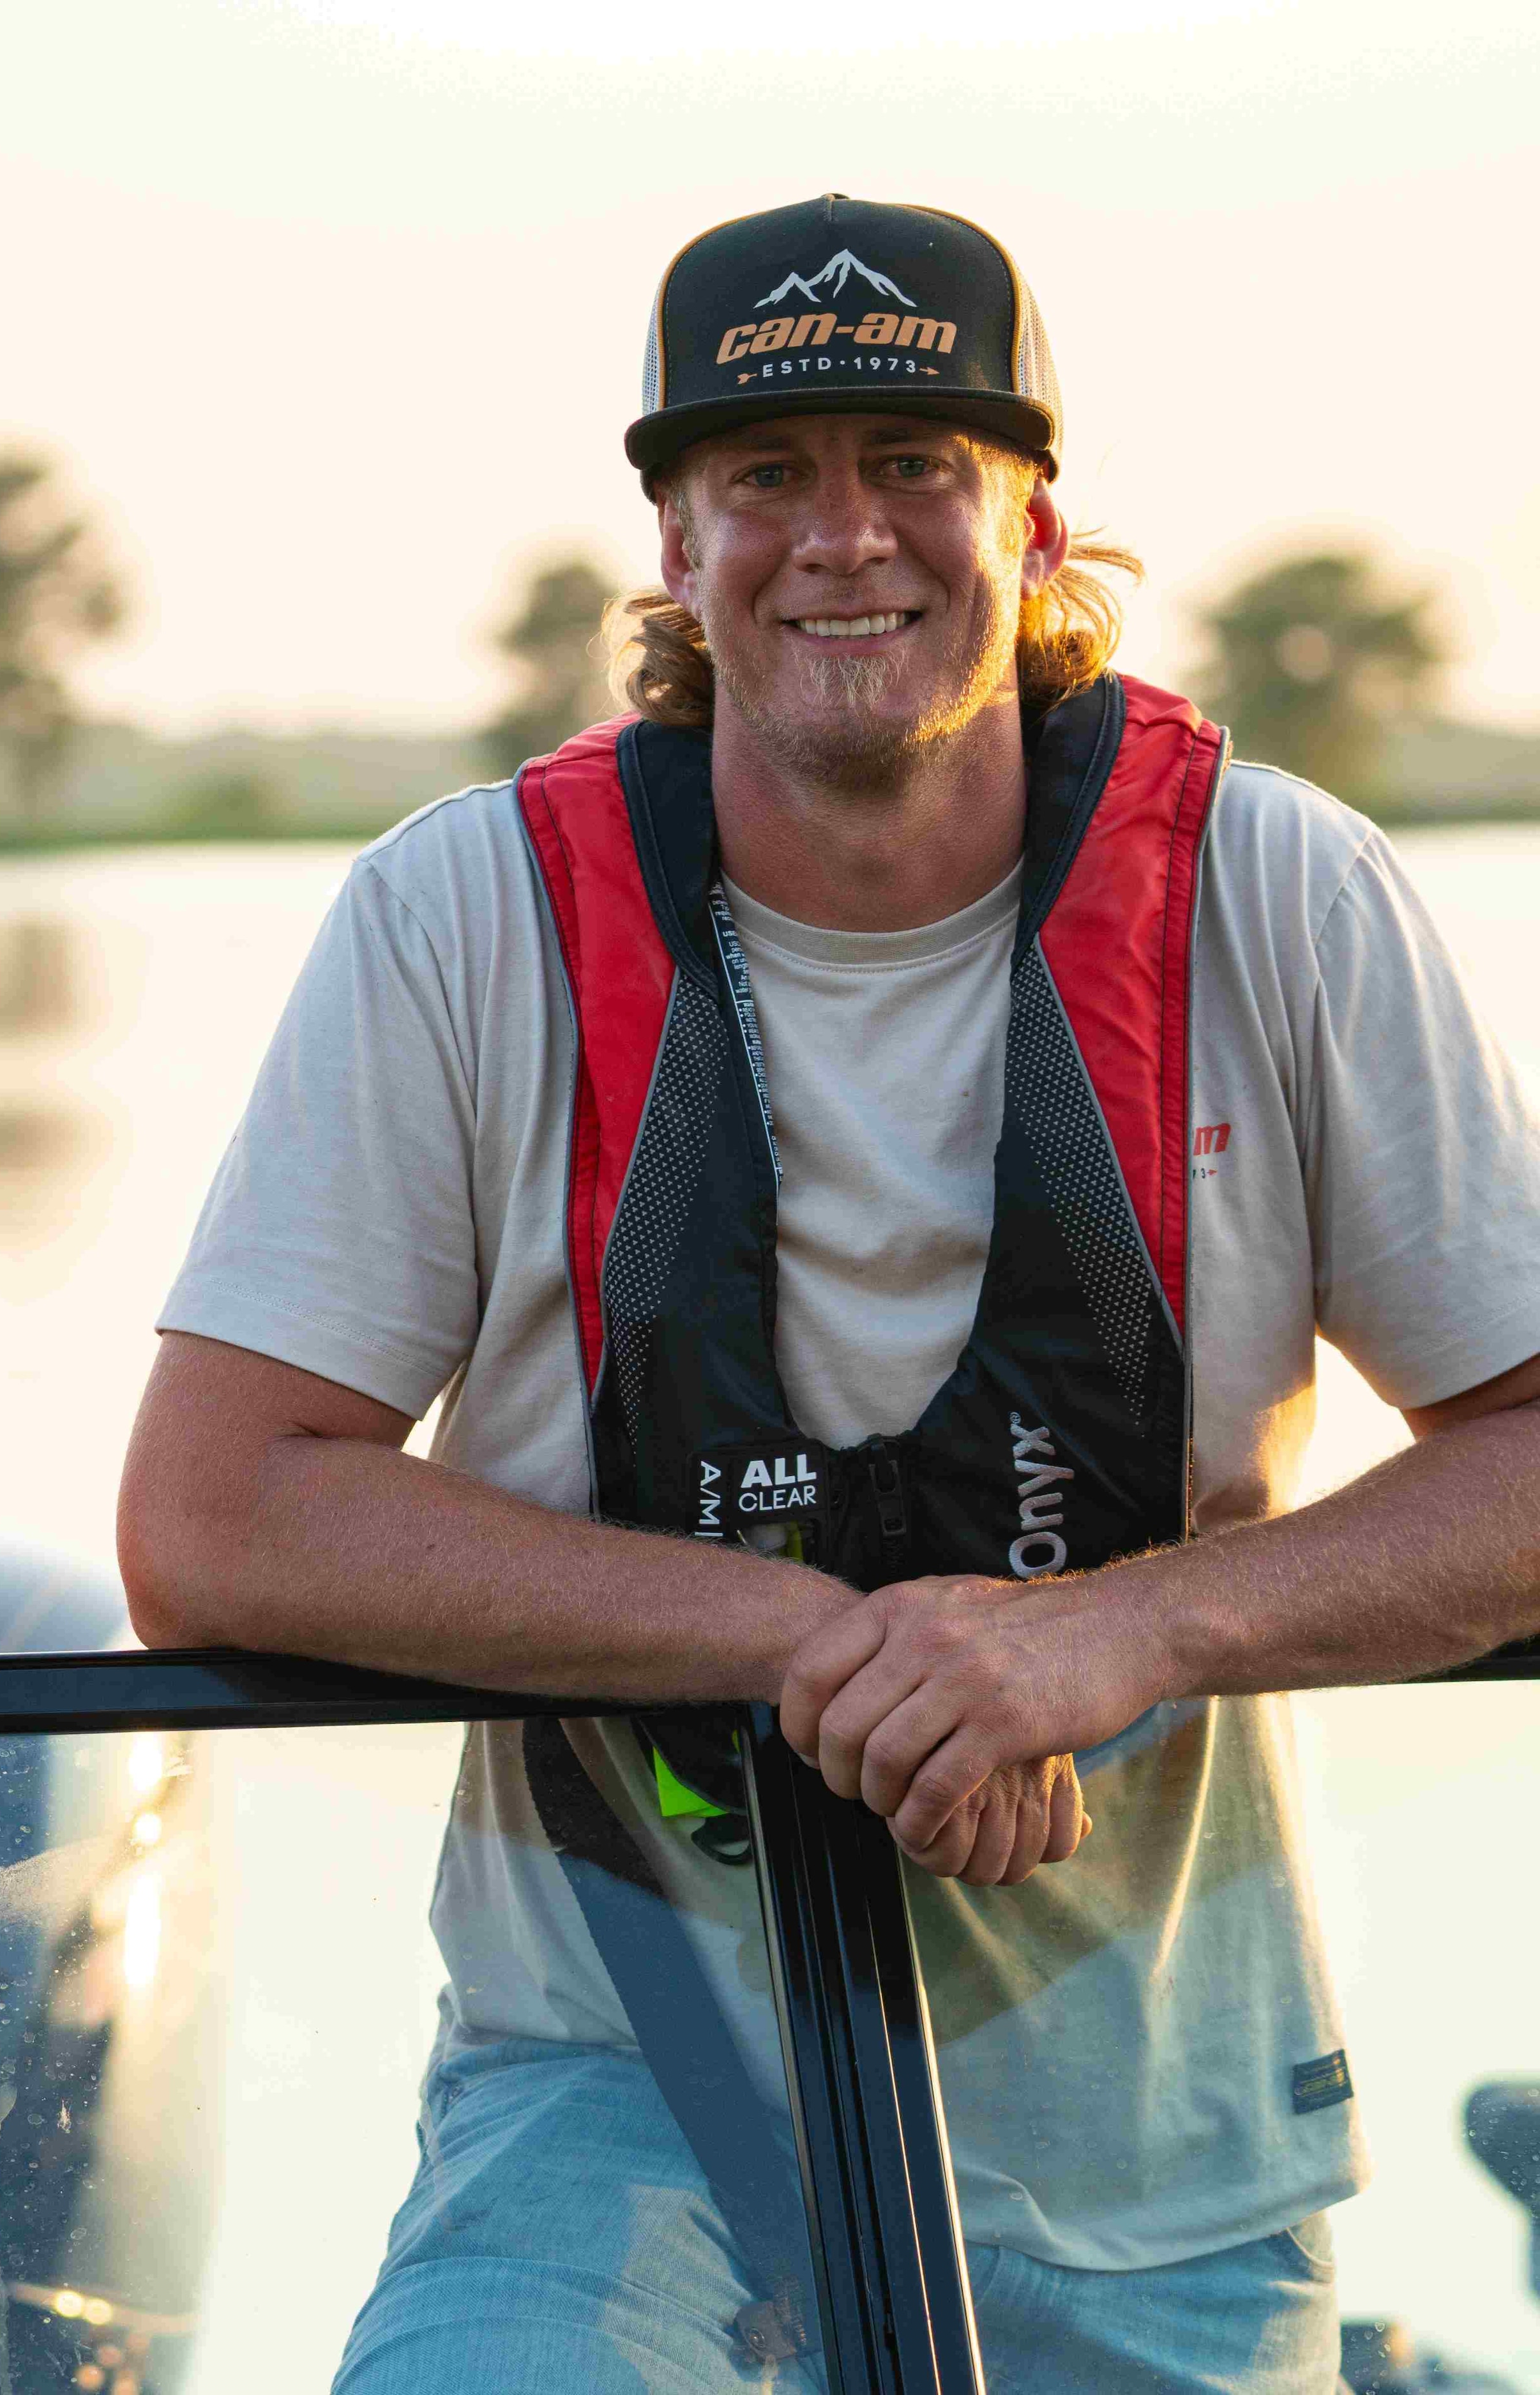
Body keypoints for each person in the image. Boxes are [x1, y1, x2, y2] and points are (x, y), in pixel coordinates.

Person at [119, 193, 1540, 2392]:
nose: (841, 536)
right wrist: (811, 1642)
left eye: (915, 465)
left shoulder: (1280, 889)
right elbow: (210, 1524)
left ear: (1036, 519)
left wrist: (1114, 1633)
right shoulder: (461, 919)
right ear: (675, 545)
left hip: (1158, 2127)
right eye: (764, 476)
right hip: (617, 2078)